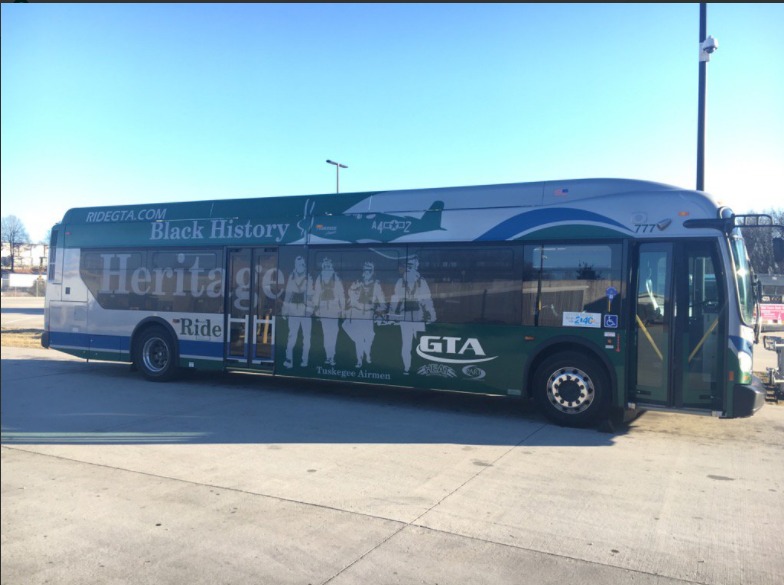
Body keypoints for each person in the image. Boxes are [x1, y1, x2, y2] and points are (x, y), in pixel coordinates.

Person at [390, 255, 436, 374]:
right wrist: (391, 315)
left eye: (411, 266)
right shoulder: (400, 282)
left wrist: (431, 315)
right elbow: (395, 299)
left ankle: (419, 368)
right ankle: (407, 368)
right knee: (406, 345)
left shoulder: (422, 282)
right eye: (407, 266)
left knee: (419, 346)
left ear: (416, 267)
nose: (408, 268)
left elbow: (427, 300)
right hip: (405, 318)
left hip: (419, 318)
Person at [342, 261, 386, 368]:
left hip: (368, 316)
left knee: (369, 339)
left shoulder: (376, 286)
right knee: (359, 339)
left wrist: (379, 312)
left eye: (369, 270)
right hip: (356, 315)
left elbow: (382, 303)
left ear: (373, 272)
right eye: (365, 270)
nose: (366, 272)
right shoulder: (357, 283)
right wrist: (353, 289)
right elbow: (349, 296)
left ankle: (368, 353)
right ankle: (359, 360)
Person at [282, 255, 313, 368]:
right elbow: (288, 295)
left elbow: (310, 296)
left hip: (305, 312)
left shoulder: (309, 278)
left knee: (307, 337)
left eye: (303, 264)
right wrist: (284, 311)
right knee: (292, 336)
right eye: (300, 264)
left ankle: (305, 360)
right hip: (293, 312)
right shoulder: (291, 278)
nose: (302, 266)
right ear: (296, 265)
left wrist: (309, 311)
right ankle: (289, 359)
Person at [313, 257, 345, 366]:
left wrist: (343, 310)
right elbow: (316, 294)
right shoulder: (319, 278)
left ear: (331, 267)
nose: (327, 268)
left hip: (334, 310)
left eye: (329, 266)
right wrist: (315, 308)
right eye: (325, 266)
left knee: (333, 334)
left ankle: (332, 356)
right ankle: (328, 357)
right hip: (323, 311)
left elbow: (341, 295)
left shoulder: (336, 279)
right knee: (326, 335)